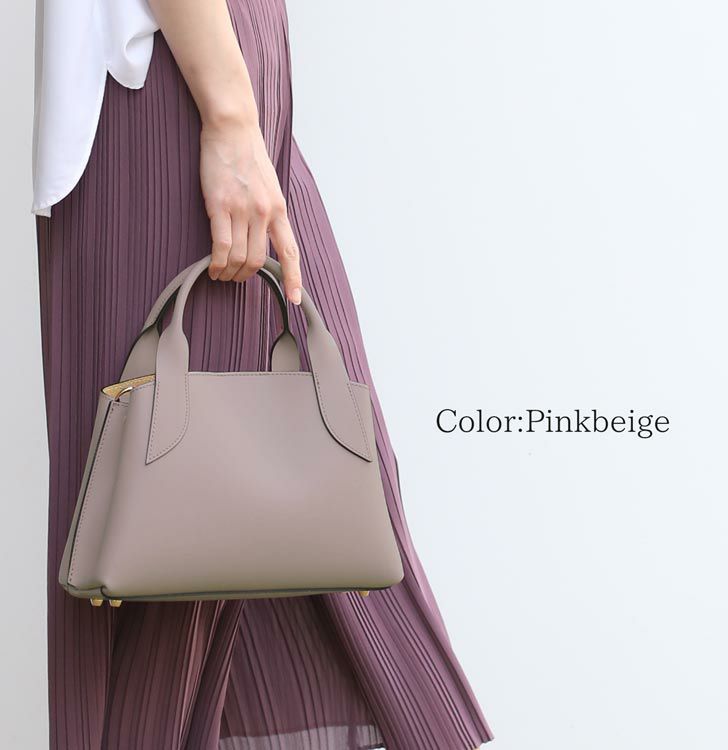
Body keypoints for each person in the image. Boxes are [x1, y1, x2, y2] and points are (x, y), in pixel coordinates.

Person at [33, 1, 494, 747]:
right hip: (179, 72)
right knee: (168, 529)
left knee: (310, 496)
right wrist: (229, 114)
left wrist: (240, 112)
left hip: (224, 65)